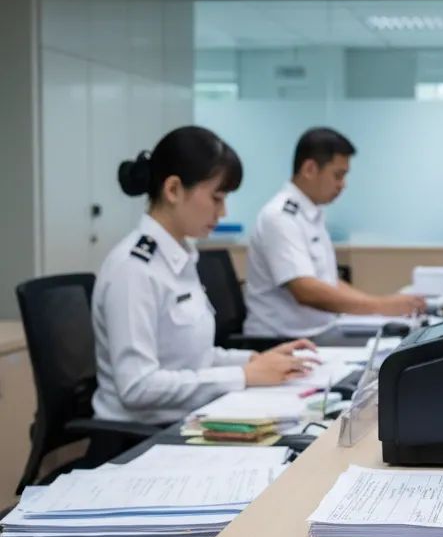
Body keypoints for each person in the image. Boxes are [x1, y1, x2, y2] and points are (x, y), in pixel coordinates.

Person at [93, 126, 316, 425]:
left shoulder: (179, 257)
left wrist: (255, 361)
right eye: (217, 198)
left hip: (187, 422)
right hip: (141, 439)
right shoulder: (133, 269)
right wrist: (243, 376)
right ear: (173, 190)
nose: (222, 212)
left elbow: (193, 359)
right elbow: (137, 387)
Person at [244, 128, 426, 344]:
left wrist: (383, 306)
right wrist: (381, 306)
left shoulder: (310, 214)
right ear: (310, 169)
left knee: (402, 343)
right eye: (338, 175)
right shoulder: (280, 217)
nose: (343, 184)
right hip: (281, 341)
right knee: (392, 354)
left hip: (318, 332)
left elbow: (329, 282)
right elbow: (306, 291)